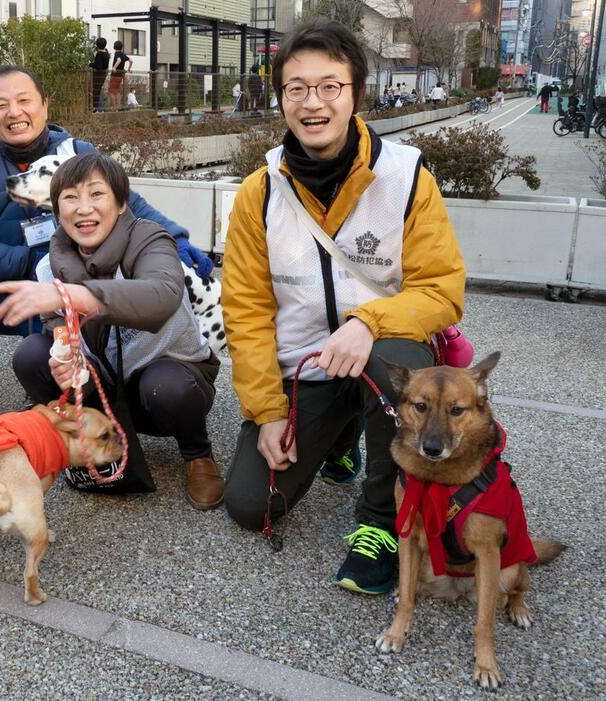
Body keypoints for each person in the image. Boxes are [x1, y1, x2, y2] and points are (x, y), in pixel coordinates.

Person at [221, 19, 465, 594]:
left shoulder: (405, 176)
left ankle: (380, 521)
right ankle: (337, 436)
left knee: (395, 356)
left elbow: (442, 290)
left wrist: (367, 321)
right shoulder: (259, 192)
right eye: (297, 88)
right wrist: (267, 412)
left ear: (355, 93)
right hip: (306, 367)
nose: (313, 103)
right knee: (249, 504)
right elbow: (247, 311)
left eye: (330, 86)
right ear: (279, 97)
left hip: (382, 357)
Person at [0, 65, 214, 425]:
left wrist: (178, 237)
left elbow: (127, 200)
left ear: (44, 105)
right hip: (4, 292)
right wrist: (25, 263)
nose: (14, 112)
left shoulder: (76, 152)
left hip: (68, 287)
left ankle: (43, 385)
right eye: (1, 104)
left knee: (53, 276)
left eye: (24, 100)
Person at [0, 153, 223, 508]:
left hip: (169, 377)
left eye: (96, 194)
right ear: (55, 207)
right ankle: (78, 440)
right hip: (105, 381)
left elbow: (162, 295)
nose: (83, 209)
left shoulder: (151, 241)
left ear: (121, 202)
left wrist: (76, 294)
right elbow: (58, 328)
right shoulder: (49, 265)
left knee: (165, 386)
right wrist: (65, 361)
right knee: (31, 354)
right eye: (70, 197)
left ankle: (197, 454)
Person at [108, 40, 133, 111]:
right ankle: (118, 107)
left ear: (114, 47)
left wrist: (114, 67)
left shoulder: (117, 53)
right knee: (117, 91)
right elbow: (131, 60)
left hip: (115, 75)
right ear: (122, 47)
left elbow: (118, 60)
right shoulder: (123, 54)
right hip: (120, 75)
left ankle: (114, 108)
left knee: (111, 91)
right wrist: (129, 69)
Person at [89, 37, 110, 112]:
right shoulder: (107, 54)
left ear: (97, 45)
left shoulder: (99, 54)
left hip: (97, 75)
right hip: (103, 75)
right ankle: (95, 108)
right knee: (97, 91)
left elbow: (98, 66)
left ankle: (93, 108)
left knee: (93, 91)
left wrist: (90, 64)